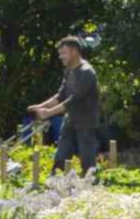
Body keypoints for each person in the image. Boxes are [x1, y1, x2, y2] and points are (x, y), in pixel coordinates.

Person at [28, 36, 100, 175]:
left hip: (86, 122)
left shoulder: (86, 72)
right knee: (61, 155)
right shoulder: (69, 71)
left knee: (87, 159)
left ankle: (90, 185)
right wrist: (40, 106)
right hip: (70, 119)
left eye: (63, 53)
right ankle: (55, 181)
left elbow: (73, 100)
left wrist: (49, 113)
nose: (60, 57)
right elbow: (61, 95)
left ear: (74, 52)